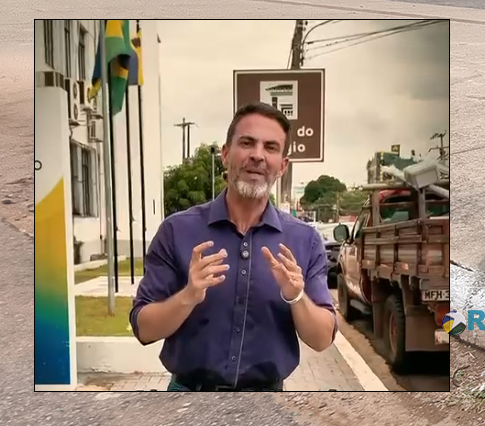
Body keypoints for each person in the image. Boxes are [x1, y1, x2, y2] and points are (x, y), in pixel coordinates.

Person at [131, 102, 338, 391]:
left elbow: (322, 339)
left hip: (268, 405)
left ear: (282, 165)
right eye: (247, 143)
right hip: (187, 399)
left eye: (270, 147)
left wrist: (296, 296)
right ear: (226, 154)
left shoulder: (304, 241)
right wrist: (188, 296)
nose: (257, 155)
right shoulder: (177, 231)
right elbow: (144, 329)